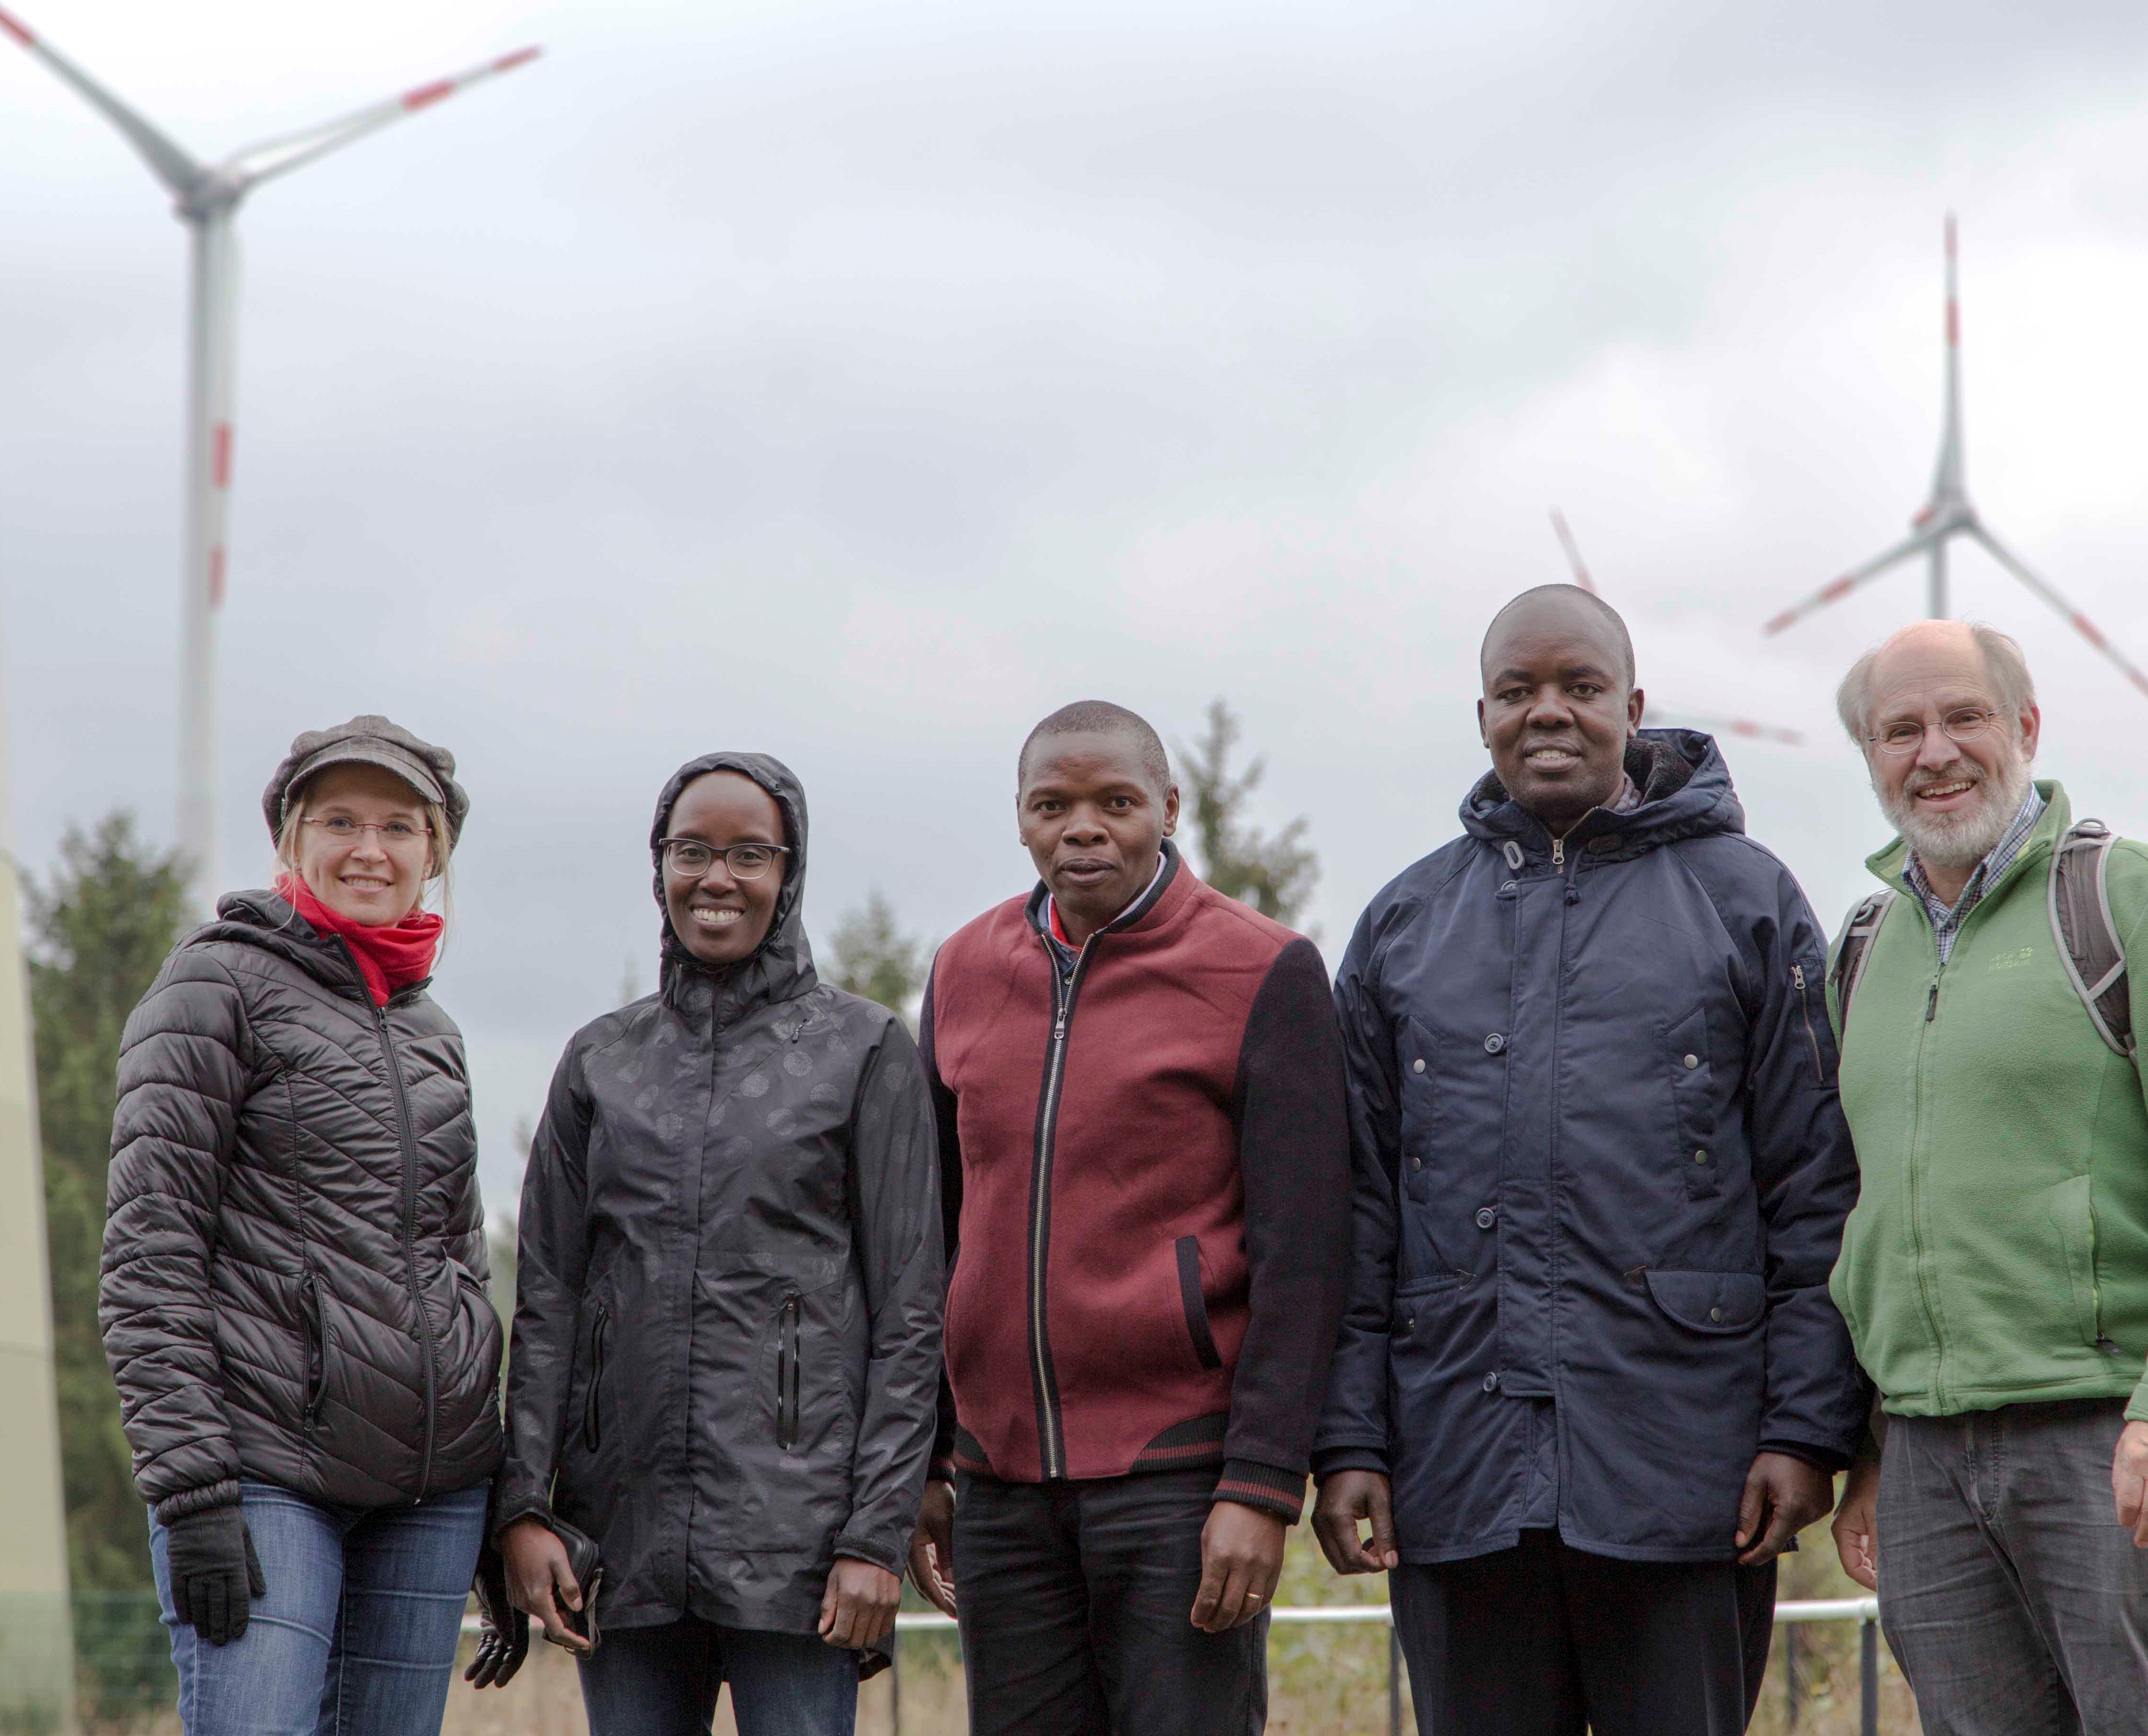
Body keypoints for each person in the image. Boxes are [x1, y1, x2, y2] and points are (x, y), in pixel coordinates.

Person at [1312, 586, 1868, 1736]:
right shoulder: (1404, 925)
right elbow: (1356, 1210)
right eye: (1519, 692)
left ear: (1635, 706)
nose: (1548, 713)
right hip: (1454, 1465)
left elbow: (1816, 1187)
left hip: (1687, 1466)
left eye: (1580, 687)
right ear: (1482, 715)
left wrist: (1805, 1430)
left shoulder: (1746, 900)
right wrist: (1350, 1440)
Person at [1821, 621, 2148, 1735]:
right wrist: (1875, 1446)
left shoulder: (2136, 901)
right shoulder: (1865, 950)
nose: (1935, 753)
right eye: (1901, 730)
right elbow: (1875, 1214)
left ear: (2025, 726)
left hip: (2109, 1436)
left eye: (1964, 717)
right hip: (1926, 1457)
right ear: (1871, 756)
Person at [905, 700, 1352, 1736]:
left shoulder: (1263, 970)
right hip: (1000, 1487)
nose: (1083, 828)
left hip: (1183, 1482)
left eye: (1115, 802)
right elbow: (934, 1232)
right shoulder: (964, 971)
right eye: (1052, 805)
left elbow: (1308, 1254)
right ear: (1020, 819)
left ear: (1168, 806)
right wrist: (928, 1458)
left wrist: (1263, 1484)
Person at [495, 752, 943, 1736]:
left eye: (750, 853)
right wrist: (524, 1510)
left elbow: (914, 1314)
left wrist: (876, 1535)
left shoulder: (866, 1052)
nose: (718, 877)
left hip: (806, 1548)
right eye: (692, 850)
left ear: (791, 873)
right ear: (658, 864)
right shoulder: (600, 1060)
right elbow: (549, 1304)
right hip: (622, 1538)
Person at [102, 715, 512, 1736]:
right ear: (290, 841)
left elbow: (458, 1261)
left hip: (431, 1492)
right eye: (338, 820)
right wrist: (193, 1487)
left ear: (435, 853)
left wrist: (497, 1502)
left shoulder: (434, 1033)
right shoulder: (214, 985)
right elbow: (151, 1255)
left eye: (399, 827)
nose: (368, 850)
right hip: (265, 1470)